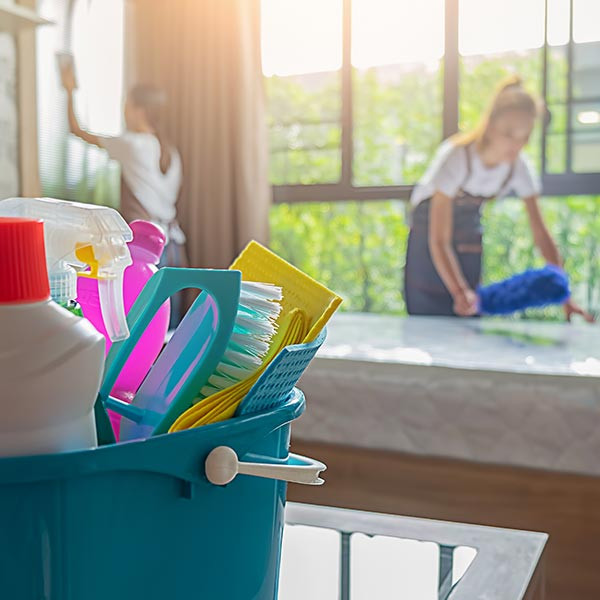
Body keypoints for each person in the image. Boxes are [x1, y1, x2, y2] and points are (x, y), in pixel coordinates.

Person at [404, 75, 594, 322]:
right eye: (509, 133)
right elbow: (439, 239)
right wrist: (459, 291)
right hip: (429, 234)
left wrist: (564, 296)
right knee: (429, 317)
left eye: (525, 137)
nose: (517, 144)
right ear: (490, 125)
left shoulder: (519, 168)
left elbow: (541, 233)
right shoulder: (457, 157)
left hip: (467, 232)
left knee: (470, 312)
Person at [60, 61, 187, 323]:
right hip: (174, 245)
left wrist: (70, 90)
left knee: (142, 321)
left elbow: (77, 130)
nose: (125, 112)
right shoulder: (171, 152)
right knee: (168, 324)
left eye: (127, 106)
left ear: (140, 110)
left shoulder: (133, 145)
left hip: (148, 247)